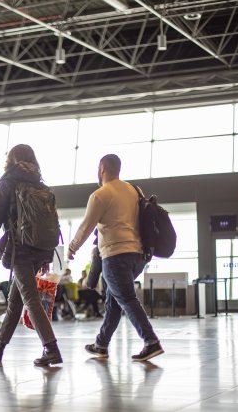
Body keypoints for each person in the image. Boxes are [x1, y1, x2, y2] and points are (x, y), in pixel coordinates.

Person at [67, 153, 163, 362]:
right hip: (137, 256)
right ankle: (101, 344)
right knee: (114, 302)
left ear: (102, 168)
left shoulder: (101, 195)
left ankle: (151, 341)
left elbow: (86, 227)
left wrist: (72, 248)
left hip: (115, 256)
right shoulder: (134, 190)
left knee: (126, 299)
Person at [0, 143, 62, 366]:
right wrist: (47, 255)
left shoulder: (8, 182)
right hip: (40, 248)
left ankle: (51, 348)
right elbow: (50, 223)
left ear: (11, 160)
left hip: (21, 249)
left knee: (30, 298)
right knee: (16, 302)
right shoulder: (41, 185)